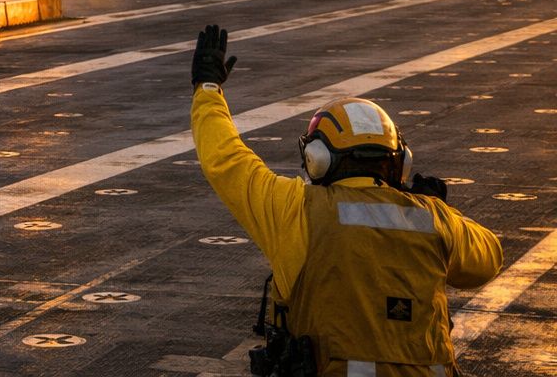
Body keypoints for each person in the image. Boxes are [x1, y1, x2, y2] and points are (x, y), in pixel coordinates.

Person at [189, 24, 503, 376]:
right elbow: (489, 259)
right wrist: (438, 209)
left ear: (317, 159)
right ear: (400, 162)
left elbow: (225, 160)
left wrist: (208, 89)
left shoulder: (296, 209)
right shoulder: (433, 219)